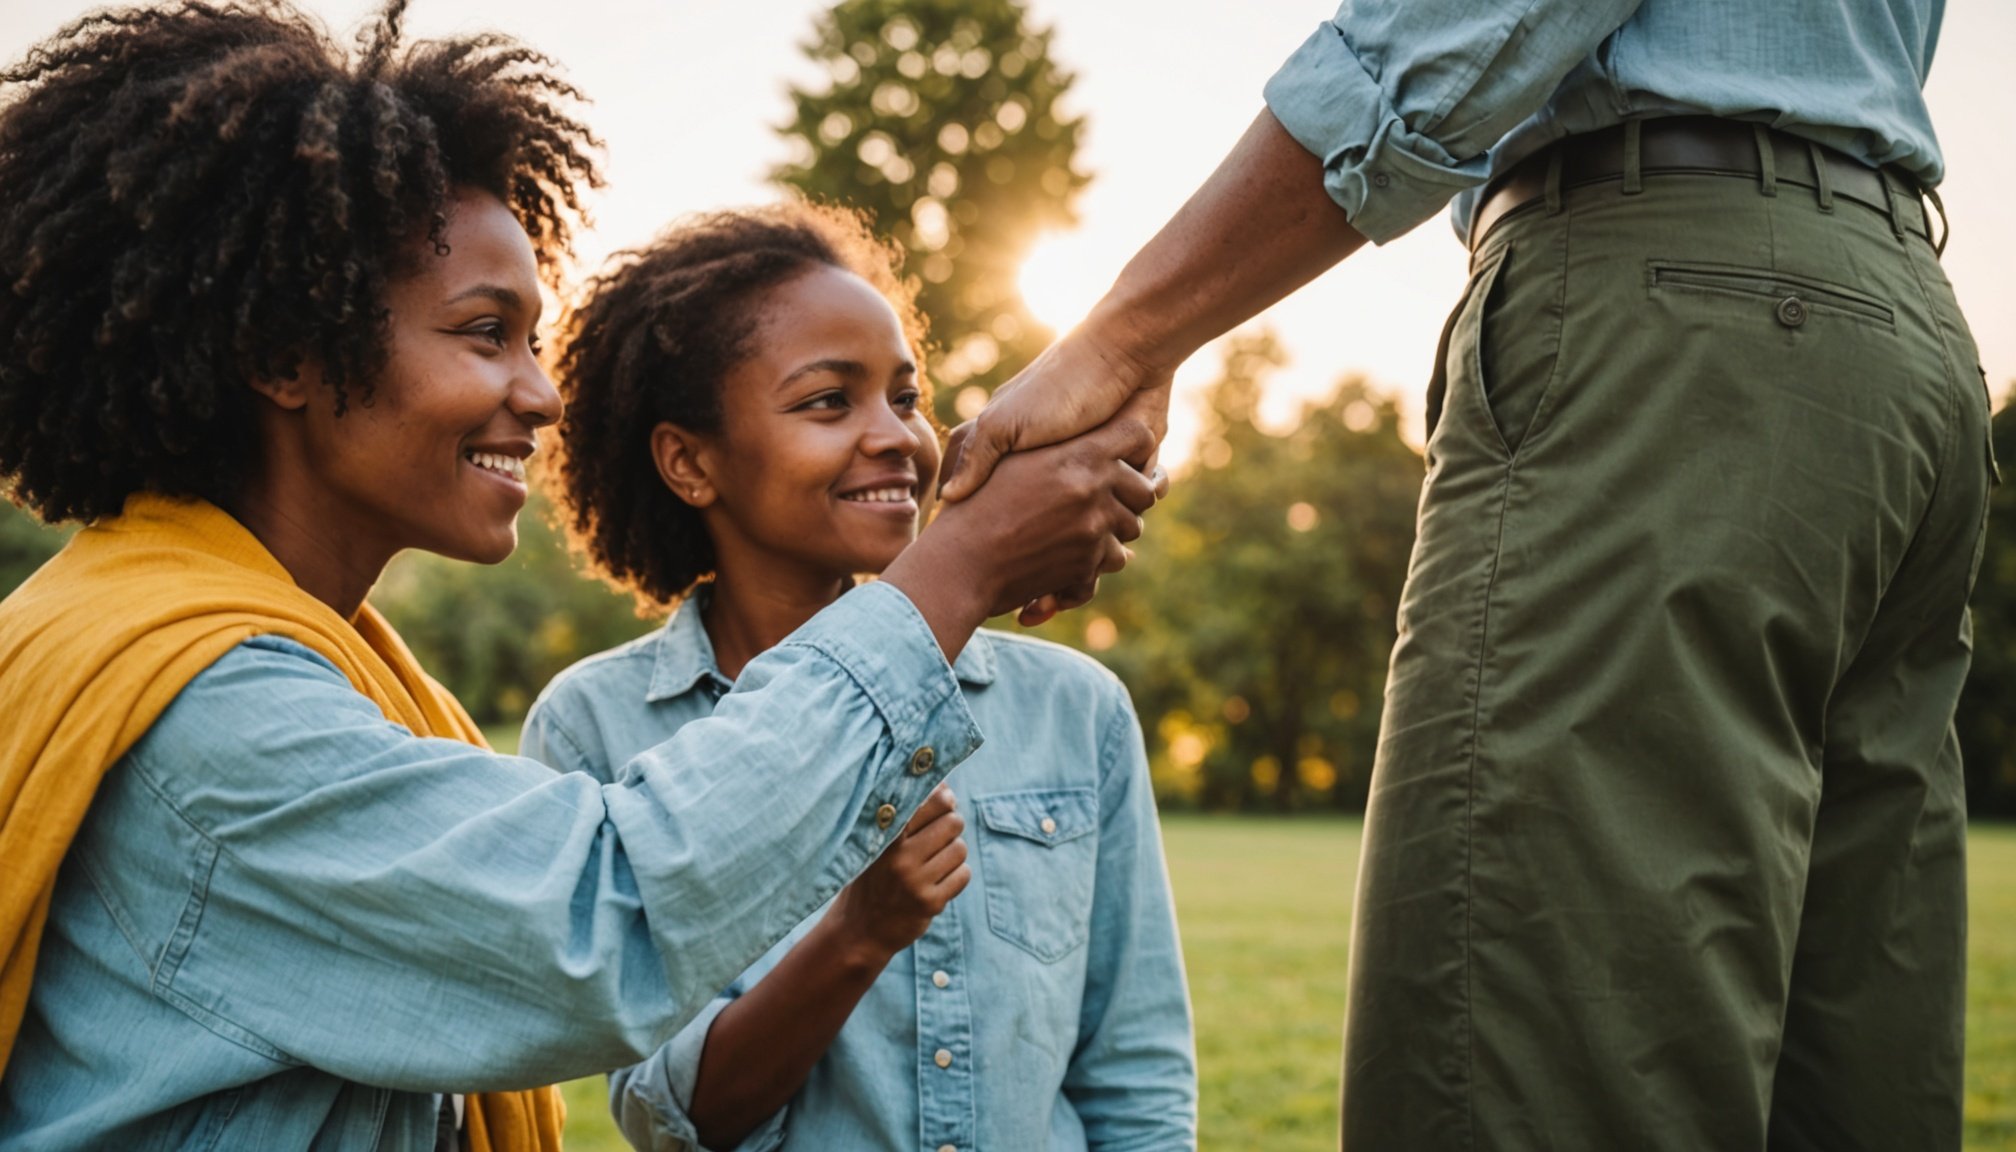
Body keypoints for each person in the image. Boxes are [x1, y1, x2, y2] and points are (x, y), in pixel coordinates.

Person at [0, 4, 1159, 1148]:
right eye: (483, 332)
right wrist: (959, 566)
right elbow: (604, 916)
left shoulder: (248, 656)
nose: (542, 393)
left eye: (532, 338)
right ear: (286, 356)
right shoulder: (213, 719)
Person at [941, 2, 1995, 1149]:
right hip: (1898, 338)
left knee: (1525, 1059)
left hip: (1678, 323)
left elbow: (1452, 36)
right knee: (1853, 1079)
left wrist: (1125, 340)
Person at [520, 202, 1196, 1152]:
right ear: (688, 462)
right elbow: (669, 1116)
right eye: (828, 401)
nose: (896, 438)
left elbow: (1136, 1079)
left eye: (906, 398)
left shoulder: (1076, 712)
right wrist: (857, 935)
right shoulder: (597, 726)